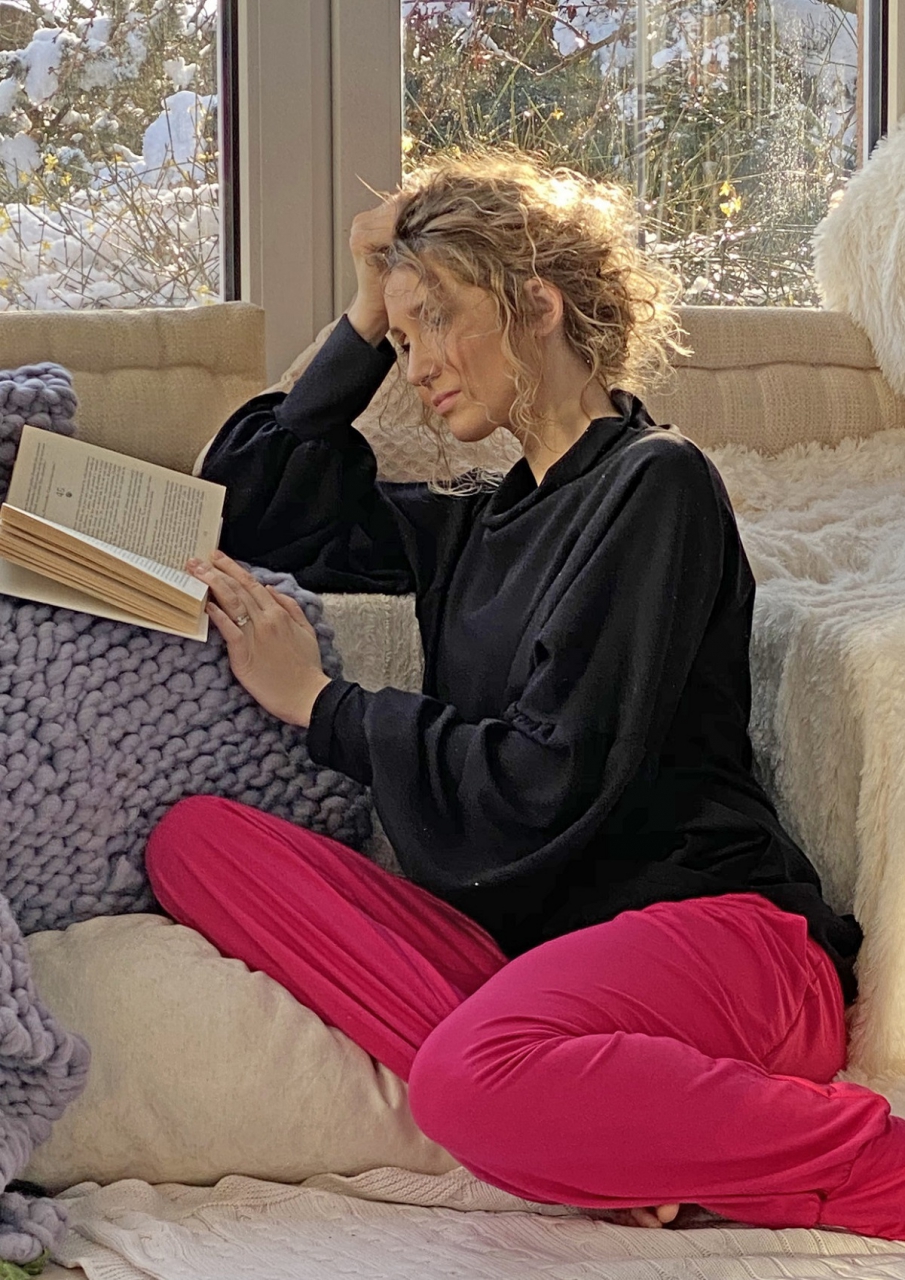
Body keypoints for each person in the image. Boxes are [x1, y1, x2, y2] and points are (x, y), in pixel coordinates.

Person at [144, 151, 905, 1240]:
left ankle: (832, 1158)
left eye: (435, 322)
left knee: (463, 1085)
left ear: (536, 304)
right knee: (197, 844)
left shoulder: (654, 480)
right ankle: (604, 1129)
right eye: (402, 338)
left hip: (723, 943)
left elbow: (548, 779)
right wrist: (365, 310)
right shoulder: (474, 520)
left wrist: (323, 705)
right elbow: (245, 505)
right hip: (541, 971)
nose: (416, 366)